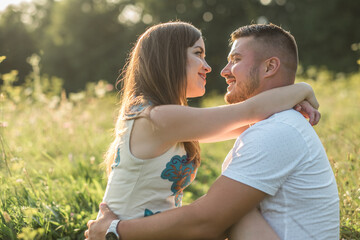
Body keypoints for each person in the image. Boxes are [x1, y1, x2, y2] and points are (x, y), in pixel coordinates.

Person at [85, 23, 329, 240]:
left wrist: (291, 102)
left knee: (230, 212)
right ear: (169, 58)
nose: (209, 67)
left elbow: (255, 120)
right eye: (198, 54)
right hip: (122, 233)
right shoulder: (157, 118)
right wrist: (303, 89)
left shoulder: (160, 117)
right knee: (229, 213)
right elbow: (249, 112)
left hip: (135, 232)